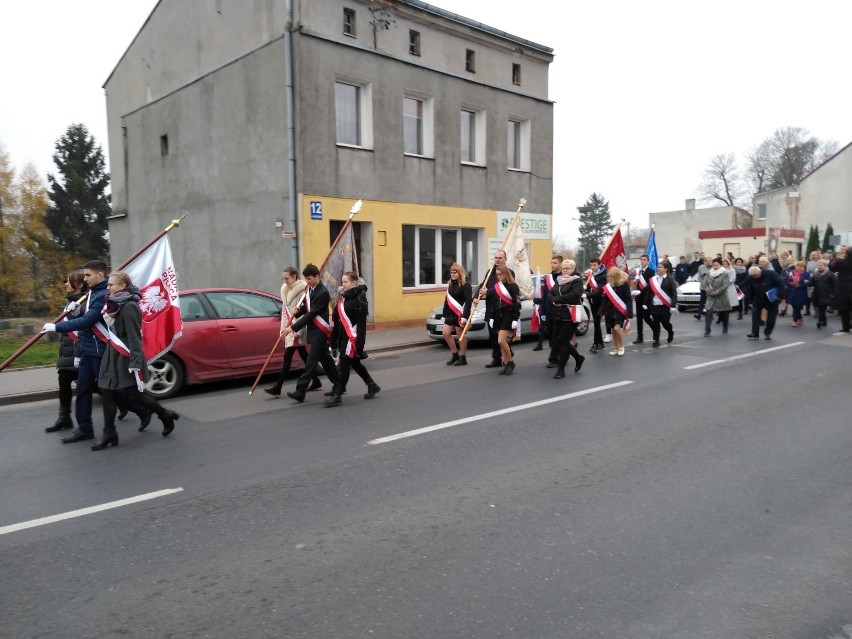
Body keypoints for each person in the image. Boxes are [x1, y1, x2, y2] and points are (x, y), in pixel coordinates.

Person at [90, 271, 178, 450]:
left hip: (125, 356)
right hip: (111, 353)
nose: (108, 288)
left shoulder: (129, 306)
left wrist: (136, 363)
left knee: (134, 394)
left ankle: (164, 415)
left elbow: (135, 337)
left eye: (111, 285)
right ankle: (109, 433)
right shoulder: (113, 304)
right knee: (106, 390)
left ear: (122, 286)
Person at [41, 260, 110, 443]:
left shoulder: (102, 295)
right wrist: (77, 311)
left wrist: (56, 328)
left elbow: (88, 321)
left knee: (112, 391)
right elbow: (83, 318)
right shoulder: (92, 293)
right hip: (88, 350)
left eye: (88, 275)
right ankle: (85, 428)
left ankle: (149, 411)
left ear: (100, 275)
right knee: (82, 389)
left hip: (100, 350)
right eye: (84, 275)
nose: (85, 278)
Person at [282, 263, 342, 402]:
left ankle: (300, 391)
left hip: (320, 331)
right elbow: (308, 308)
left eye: (309, 278)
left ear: (317, 276)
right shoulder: (310, 289)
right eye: (306, 279)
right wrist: (300, 310)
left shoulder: (323, 292)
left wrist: (292, 327)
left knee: (310, 362)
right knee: (326, 361)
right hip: (314, 330)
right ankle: (339, 385)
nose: (307, 281)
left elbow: (313, 313)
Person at [323, 271, 380, 407]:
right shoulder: (342, 297)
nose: (343, 284)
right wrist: (333, 340)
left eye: (345, 282)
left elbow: (361, 324)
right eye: (342, 282)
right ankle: (372, 385)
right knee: (355, 363)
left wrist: (360, 343)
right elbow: (337, 321)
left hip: (352, 338)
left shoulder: (360, 298)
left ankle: (337, 394)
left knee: (344, 363)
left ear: (354, 282)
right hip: (343, 337)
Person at [265, 267, 322, 397]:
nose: (285, 281)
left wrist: (298, 331)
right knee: (304, 356)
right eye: (283, 278)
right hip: (289, 329)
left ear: (295, 276)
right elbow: (285, 313)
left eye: (287, 278)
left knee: (288, 357)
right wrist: (282, 329)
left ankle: (278, 387)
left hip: (296, 329)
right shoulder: (285, 290)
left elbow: (304, 313)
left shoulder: (303, 290)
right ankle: (316, 380)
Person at [45, 272, 87, 433]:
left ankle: (136, 407)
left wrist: (77, 354)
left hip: (80, 353)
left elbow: (81, 330)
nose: (65, 284)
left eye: (69, 282)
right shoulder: (69, 303)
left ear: (80, 285)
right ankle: (65, 418)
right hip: (68, 355)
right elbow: (65, 334)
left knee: (99, 387)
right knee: (64, 380)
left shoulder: (84, 303)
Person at [547, 259, 585, 379]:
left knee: (562, 341)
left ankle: (561, 370)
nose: (565, 270)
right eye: (563, 268)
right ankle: (578, 358)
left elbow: (574, 295)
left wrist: (557, 299)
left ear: (573, 269)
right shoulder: (559, 280)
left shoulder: (577, 281)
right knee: (558, 342)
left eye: (567, 268)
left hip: (570, 315)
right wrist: (553, 299)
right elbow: (550, 293)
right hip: (557, 315)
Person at [477, 250, 514, 368]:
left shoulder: (509, 272)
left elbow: (505, 289)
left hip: (503, 309)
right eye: (496, 257)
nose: (497, 260)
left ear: (505, 259)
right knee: (493, 335)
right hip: (490, 308)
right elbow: (482, 285)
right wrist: (476, 296)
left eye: (500, 258)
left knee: (501, 337)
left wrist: (489, 292)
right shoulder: (490, 272)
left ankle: (508, 357)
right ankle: (496, 358)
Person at [487, 264, 521, 375]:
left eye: (501, 274)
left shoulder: (513, 286)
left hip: (508, 316)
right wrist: (491, 317)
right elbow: (494, 303)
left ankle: (510, 362)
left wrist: (515, 318)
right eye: (497, 275)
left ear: (506, 273)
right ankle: (506, 363)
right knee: (503, 343)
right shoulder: (497, 286)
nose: (499, 277)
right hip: (497, 317)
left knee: (501, 340)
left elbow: (517, 304)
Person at [441, 262, 472, 366]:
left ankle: (463, 357)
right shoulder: (450, 284)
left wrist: (465, 316)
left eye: (455, 272)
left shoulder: (466, 285)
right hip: (450, 313)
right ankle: (455, 355)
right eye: (451, 272)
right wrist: (444, 314)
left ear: (460, 273)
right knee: (446, 333)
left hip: (460, 314)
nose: (452, 274)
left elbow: (468, 301)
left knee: (460, 336)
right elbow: (447, 300)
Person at [744, 264, 786, 340]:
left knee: (771, 317)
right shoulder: (751, 277)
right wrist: (750, 301)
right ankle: (755, 333)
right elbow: (750, 290)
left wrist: (779, 296)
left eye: (756, 275)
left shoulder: (771, 274)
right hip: (758, 299)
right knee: (755, 315)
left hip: (772, 298)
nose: (755, 277)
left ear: (760, 271)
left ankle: (767, 332)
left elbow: (781, 284)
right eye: (753, 276)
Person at [599, 266, 632, 356]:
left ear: (616, 276)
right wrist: (601, 312)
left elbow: (628, 299)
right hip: (610, 311)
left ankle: (621, 346)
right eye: (608, 276)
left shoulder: (624, 284)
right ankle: (616, 348)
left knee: (617, 328)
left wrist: (629, 311)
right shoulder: (608, 287)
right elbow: (604, 301)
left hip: (620, 310)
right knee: (613, 330)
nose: (609, 278)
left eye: (611, 277)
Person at [532, 255, 562, 353]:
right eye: (551, 263)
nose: (552, 265)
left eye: (555, 263)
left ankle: (558, 356)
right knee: (549, 332)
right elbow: (544, 296)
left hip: (560, 310)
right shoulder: (548, 278)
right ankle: (555, 355)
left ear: (560, 264)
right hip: (549, 309)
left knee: (558, 335)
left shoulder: (564, 277)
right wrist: (543, 312)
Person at [648, 262, 677, 346]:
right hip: (655, 305)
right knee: (656, 323)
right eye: (658, 267)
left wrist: (673, 305)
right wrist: (646, 303)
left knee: (665, 323)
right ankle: (657, 340)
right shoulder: (654, 279)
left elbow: (674, 293)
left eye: (661, 267)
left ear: (666, 269)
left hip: (665, 306)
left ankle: (670, 332)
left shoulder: (670, 279)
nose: (658, 268)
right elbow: (649, 292)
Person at [701, 257, 732, 336]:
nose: (715, 266)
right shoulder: (708, 273)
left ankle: (725, 327)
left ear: (720, 265)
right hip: (711, 296)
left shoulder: (725, 273)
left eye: (716, 265)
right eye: (713, 265)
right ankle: (707, 329)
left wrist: (717, 292)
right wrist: (708, 290)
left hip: (722, 296)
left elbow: (725, 285)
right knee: (708, 312)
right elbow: (704, 284)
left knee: (723, 313)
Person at [585, 258, 608, 353]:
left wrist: (586, 295)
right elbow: (589, 287)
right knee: (596, 322)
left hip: (601, 302)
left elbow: (599, 291)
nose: (592, 267)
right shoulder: (590, 275)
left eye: (594, 265)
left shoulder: (603, 276)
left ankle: (595, 344)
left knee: (597, 322)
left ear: (599, 265)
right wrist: (585, 290)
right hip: (592, 301)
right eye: (591, 265)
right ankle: (600, 342)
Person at [630, 254, 654, 344]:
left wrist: (641, 291)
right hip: (639, 298)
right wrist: (635, 281)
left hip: (646, 297)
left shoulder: (651, 271)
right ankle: (640, 337)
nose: (642, 261)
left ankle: (656, 331)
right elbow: (634, 285)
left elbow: (650, 285)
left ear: (648, 261)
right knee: (639, 318)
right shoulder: (638, 271)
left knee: (647, 318)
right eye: (641, 260)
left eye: (644, 260)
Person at [829, 248, 852, 332]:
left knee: (844, 308)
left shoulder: (841, 262)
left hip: (843, 287)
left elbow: (832, 268)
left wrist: (835, 259)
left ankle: (846, 327)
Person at [809, 260, 835, 329]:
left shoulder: (830, 274)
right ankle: (824, 320)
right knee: (820, 308)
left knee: (822, 308)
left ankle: (820, 321)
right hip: (817, 294)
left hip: (826, 294)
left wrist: (833, 293)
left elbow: (835, 284)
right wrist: (808, 281)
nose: (819, 267)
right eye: (818, 265)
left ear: (825, 266)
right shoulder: (815, 274)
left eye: (821, 265)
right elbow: (811, 284)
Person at [786, 260, 812, 327]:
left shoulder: (806, 274)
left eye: (801, 267)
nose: (799, 268)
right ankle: (800, 318)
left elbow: (808, 283)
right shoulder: (791, 273)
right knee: (794, 306)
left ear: (804, 267)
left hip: (801, 292)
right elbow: (786, 280)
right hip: (792, 292)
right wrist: (790, 283)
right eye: (798, 266)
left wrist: (799, 285)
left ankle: (794, 321)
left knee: (797, 306)